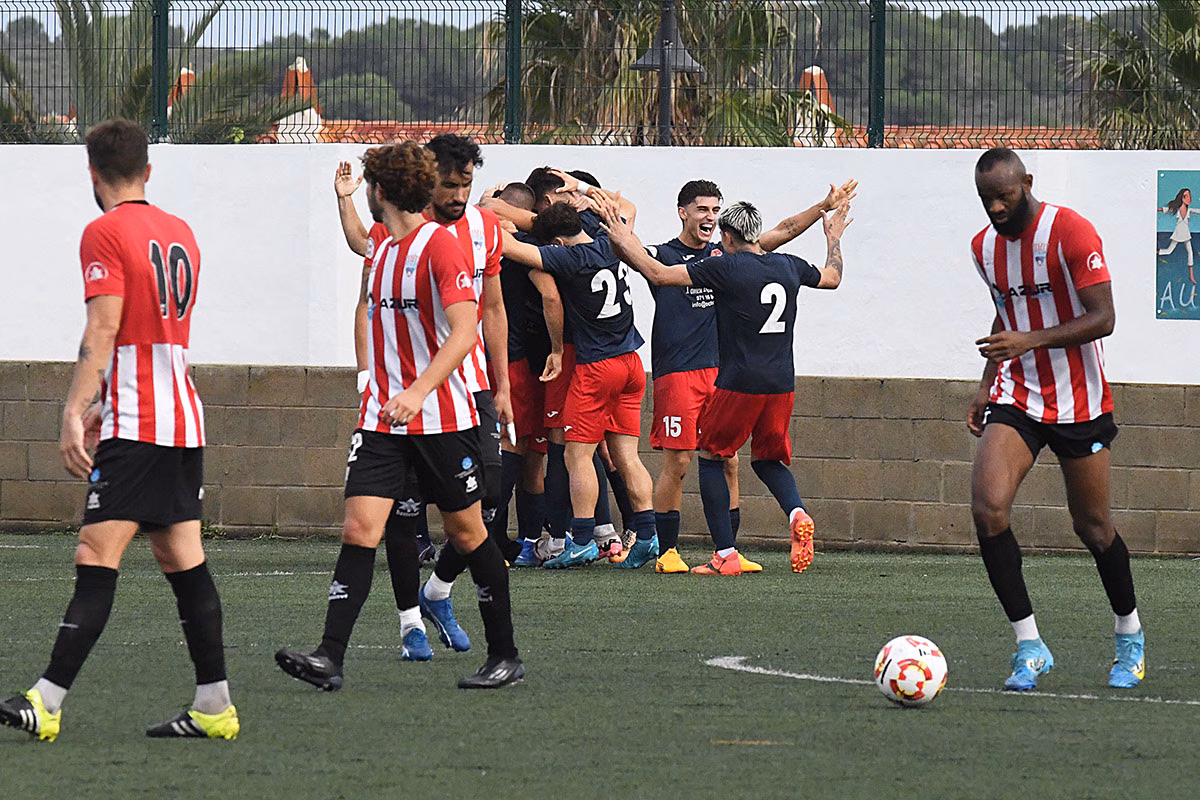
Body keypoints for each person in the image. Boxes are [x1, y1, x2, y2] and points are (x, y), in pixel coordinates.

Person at [0, 119, 238, 741]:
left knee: (95, 552)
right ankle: (215, 705)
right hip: (181, 416)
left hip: (139, 425)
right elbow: (152, 331)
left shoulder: (103, 232)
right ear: (148, 172)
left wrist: (73, 410)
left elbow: (105, 330)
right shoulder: (180, 230)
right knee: (181, 556)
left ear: (91, 173)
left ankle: (45, 702)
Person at [276, 141, 523, 690]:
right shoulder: (384, 248)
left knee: (466, 531)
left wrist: (419, 391)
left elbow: (465, 332)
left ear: (380, 190)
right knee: (360, 527)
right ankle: (329, 656)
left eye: (366, 186)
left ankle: (504, 654)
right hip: (383, 421)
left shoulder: (441, 249)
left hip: (440, 417)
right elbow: (362, 249)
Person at [968, 147, 1144, 690]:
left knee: (1092, 528)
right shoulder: (984, 247)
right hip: (1017, 394)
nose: (995, 208)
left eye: (1005, 195)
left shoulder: (1071, 232)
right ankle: (1029, 645)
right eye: (985, 199)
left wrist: (1031, 340)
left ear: (1027, 182)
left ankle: (1129, 634)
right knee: (988, 508)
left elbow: (1104, 317)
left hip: (1080, 402)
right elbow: (1009, 307)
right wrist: (983, 384)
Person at [600, 195, 848, 576]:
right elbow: (831, 277)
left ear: (728, 237)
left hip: (737, 382)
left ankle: (725, 555)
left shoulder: (725, 268)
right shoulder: (788, 265)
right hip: (782, 383)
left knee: (713, 457)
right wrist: (833, 236)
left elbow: (660, 274)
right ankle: (796, 511)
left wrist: (620, 235)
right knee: (766, 460)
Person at [500, 203, 660, 568]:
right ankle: (648, 534)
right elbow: (624, 206)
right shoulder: (609, 240)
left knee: (576, 455)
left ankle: (585, 539)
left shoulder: (569, 259)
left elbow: (512, 250)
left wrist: (488, 220)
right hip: (633, 362)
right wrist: (585, 189)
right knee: (627, 455)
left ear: (558, 241)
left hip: (598, 367)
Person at [1157, 187, 1193, 282]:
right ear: (1181, 198)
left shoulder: (1189, 210)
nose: (1189, 199)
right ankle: (1155, 251)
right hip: (1178, 234)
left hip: (1186, 235)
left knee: (1190, 252)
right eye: (1186, 196)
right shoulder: (1176, 209)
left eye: (1189, 196)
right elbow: (1166, 210)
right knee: (1169, 251)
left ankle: (1191, 275)